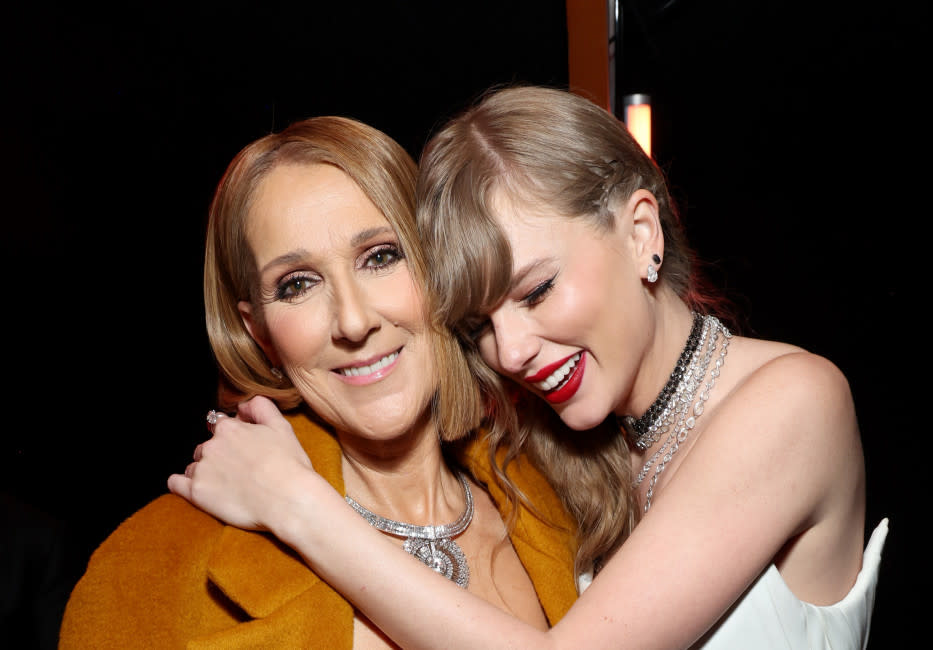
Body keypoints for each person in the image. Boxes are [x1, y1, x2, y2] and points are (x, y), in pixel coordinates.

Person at [169, 86, 888, 649]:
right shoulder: (553, 454)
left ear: (641, 233)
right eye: (479, 323)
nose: (510, 354)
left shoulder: (795, 402)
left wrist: (297, 505)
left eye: (537, 290)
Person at [58, 115, 580, 649]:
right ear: (258, 332)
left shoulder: (566, 497)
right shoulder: (149, 568)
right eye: (297, 285)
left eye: (381, 256)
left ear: (439, 267)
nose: (353, 322)